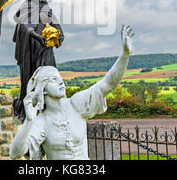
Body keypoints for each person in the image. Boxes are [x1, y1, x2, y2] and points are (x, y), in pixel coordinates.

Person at [9, 25, 134, 160]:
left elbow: (107, 84)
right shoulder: (42, 121)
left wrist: (125, 55)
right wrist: (28, 121)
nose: (60, 82)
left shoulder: (77, 105)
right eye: (52, 80)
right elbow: (15, 153)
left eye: (59, 78)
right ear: (43, 89)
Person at [12, 0, 64, 122]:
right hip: (30, 48)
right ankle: (28, 109)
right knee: (30, 79)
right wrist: (35, 36)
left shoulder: (46, 8)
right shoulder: (25, 8)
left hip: (45, 48)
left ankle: (50, 108)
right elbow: (23, 27)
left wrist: (60, 34)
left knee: (50, 74)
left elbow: (55, 23)